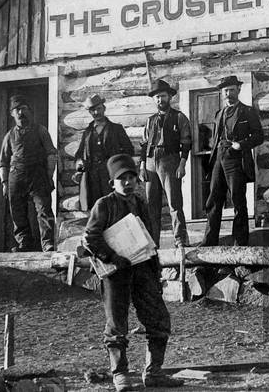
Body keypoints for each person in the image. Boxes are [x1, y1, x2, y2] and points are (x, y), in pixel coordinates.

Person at [83, 154, 183, 391]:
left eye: (131, 178)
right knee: (117, 324)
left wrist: (155, 271)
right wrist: (112, 256)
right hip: (116, 272)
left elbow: (148, 238)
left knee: (158, 319)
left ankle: (154, 372)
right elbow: (90, 238)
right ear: (112, 183)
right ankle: (120, 374)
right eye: (122, 179)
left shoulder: (140, 203)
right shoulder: (104, 205)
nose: (128, 183)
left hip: (142, 269)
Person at [201, 75, 263, 247]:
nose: (229, 93)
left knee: (238, 200)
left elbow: (259, 136)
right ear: (222, 93)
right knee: (213, 200)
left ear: (239, 90)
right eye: (226, 90)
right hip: (219, 159)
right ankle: (209, 241)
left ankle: (240, 242)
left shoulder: (247, 111)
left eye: (232, 90)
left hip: (236, 158)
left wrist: (241, 144)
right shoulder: (218, 114)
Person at [0, 95, 58, 252]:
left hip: (38, 175)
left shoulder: (41, 130)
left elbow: (51, 153)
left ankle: (48, 244)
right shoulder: (9, 135)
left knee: (44, 210)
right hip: (16, 176)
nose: (20, 112)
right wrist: (4, 183)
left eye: (23, 108)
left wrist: (49, 175)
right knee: (17, 211)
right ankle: (24, 243)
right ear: (12, 114)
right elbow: (2, 162)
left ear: (29, 111)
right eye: (16, 110)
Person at [138, 79, 192, 248]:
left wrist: (182, 164)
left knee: (174, 203)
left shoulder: (179, 117)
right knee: (152, 206)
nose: (160, 100)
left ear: (169, 97)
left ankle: (180, 240)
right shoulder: (150, 120)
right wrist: (142, 166)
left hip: (169, 160)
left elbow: (186, 143)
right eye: (157, 97)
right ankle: (154, 243)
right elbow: (144, 144)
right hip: (150, 161)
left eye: (162, 96)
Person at [73, 94, 134, 211]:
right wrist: (79, 162)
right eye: (92, 110)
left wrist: (118, 167)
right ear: (90, 112)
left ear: (104, 108)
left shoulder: (116, 129)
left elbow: (129, 150)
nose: (96, 112)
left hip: (111, 175)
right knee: (96, 207)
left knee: (114, 206)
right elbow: (79, 153)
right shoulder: (87, 132)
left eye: (98, 108)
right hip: (92, 176)